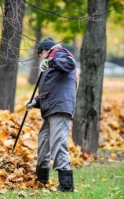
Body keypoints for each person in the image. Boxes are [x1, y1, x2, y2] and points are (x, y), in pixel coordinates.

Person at [25, 37, 77, 192]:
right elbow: (51, 91)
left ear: (43, 51)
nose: (41, 59)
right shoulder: (52, 63)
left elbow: (70, 64)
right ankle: (41, 178)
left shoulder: (59, 52)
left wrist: (50, 61)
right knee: (44, 142)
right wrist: (35, 101)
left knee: (58, 142)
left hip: (59, 108)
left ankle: (66, 185)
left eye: (40, 55)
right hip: (52, 108)